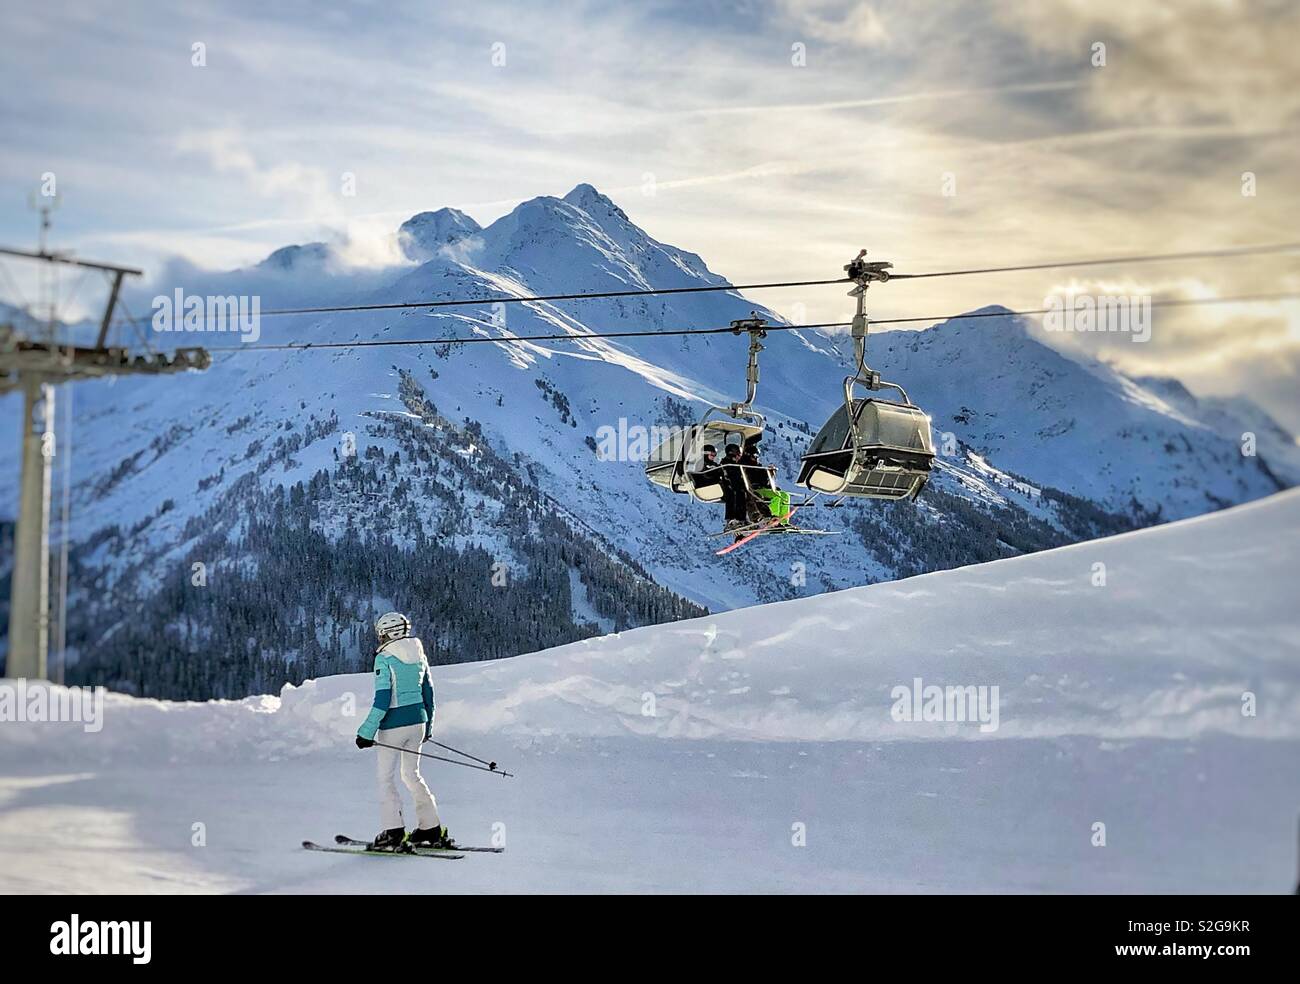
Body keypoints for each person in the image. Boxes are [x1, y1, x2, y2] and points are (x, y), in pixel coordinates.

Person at [355, 611, 453, 850]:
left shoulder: (384, 658)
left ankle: (393, 831)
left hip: (393, 726)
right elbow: (429, 694)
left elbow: (383, 700)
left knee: (385, 778)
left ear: (386, 633)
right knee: (412, 775)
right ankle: (430, 828)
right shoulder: (419, 654)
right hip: (418, 722)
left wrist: (366, 732)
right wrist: (427, 727)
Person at [740, 436, 791, 525]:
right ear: (748, 455)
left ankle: (784, 522)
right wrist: (766, 474)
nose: (756, 458)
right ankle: (773, 519)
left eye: (757, 456)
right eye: (755, 456)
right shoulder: (746, 466)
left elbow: (763, 480)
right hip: (754, 489)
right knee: (776, 495)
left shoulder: (757, 466)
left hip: (762, 488)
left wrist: (769, 474)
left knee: (785, 496)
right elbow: (754, 479)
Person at [719, 442, 752, 531]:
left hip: (734, 486)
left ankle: (742, 518)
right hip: (728, 487)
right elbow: (729, 476)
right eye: (738, 454)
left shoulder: (734, 463)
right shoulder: (727, 463)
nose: (739, 457)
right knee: (735, 494)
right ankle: (732, 519)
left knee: (742, 494)